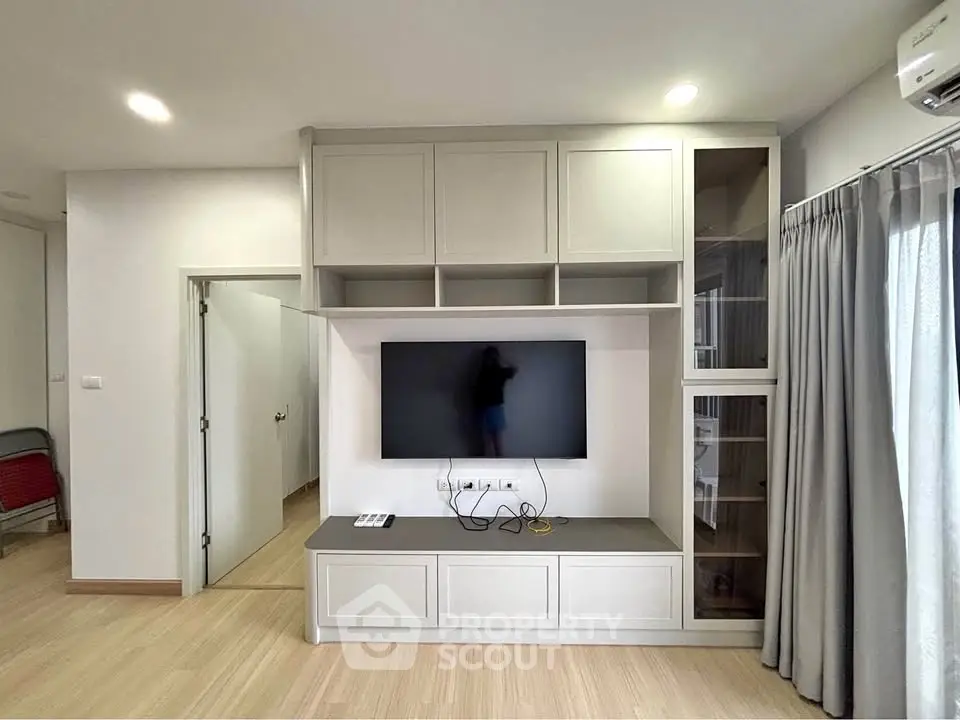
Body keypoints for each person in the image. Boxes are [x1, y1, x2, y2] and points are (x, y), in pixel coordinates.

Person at [474, 346, 517, 457]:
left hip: (492, 409)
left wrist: (501, 359)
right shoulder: (484, 372)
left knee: (492, 444)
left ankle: (495, 466)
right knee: (486, 444)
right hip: (485, 409)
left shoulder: (497, 372)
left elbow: (514, 369)